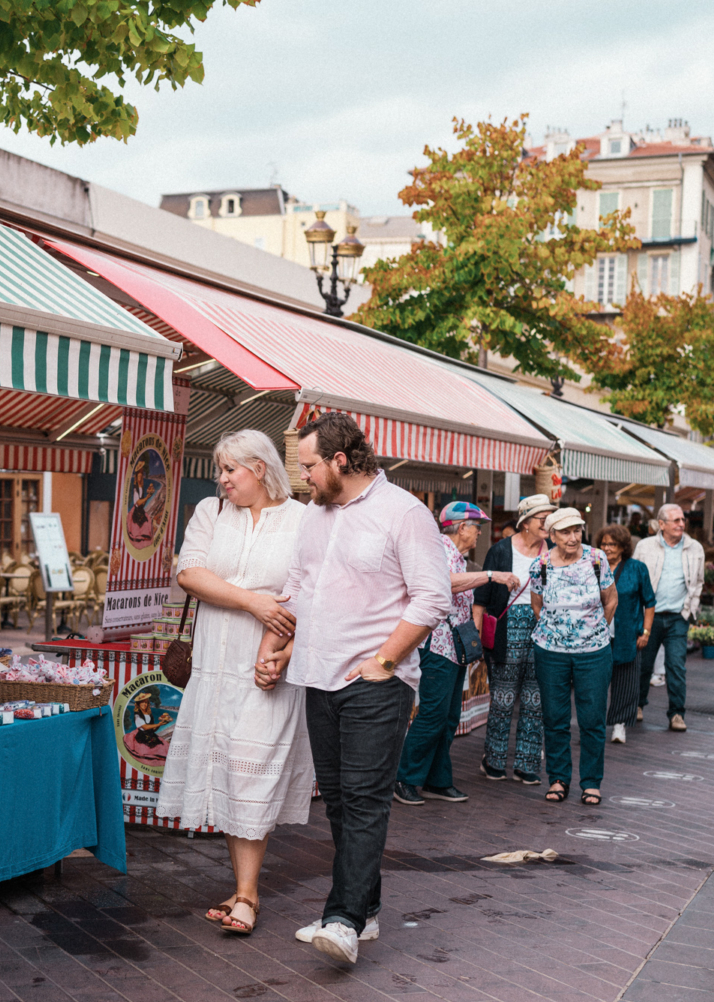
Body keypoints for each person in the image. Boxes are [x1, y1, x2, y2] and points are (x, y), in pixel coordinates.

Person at [254, 411, 451, 968]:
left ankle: (341, 920)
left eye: (311, 466)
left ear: (341, 460)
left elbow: (432, 598)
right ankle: (364, 911)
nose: (304, 478)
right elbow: (301, 588)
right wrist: (276, 649)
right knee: (340, 802)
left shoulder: (404, 514)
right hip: (317, 677)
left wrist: (385, 661)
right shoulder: (315, 517)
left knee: (364, 802)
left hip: (375, 684)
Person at [156, 429, 310, 936]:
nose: (220, 480)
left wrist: (284, 654)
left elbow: (311, 596)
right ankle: (245, 888)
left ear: (260, 469)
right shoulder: (211, 513)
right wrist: (254, 600)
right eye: (219, 470)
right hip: (215, 667)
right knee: (228, 773)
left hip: (267, 668)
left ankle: (247, 893)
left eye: (230, 470)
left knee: (253, 772)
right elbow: (189, 573)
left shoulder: (304, 521)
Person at [393, 502, 518, 806]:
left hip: (453, 645)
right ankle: (405, 779)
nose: (479, 534)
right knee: (433, 715)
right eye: (477, 527)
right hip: (437, 645)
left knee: (448, 717)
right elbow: (444, 583)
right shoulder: (439, 549)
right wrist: (492, 575)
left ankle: (437, 779)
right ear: (462, 527)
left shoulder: (457, 555)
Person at [529, 507, 616, 806]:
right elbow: (537, 606)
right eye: (565, 531)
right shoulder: (539, 564)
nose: (573, 536)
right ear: (551, 535)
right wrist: (559, 634)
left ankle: (591, 782)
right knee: (554, 718)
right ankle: (558, 778)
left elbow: (611, 600)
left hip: (593, 652)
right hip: (550, 652)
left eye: (577, 529)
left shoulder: (596, 559)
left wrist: (591, 631)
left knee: (592, 719)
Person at [473, 493, 556, 785]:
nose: (546, 521)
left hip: (544, 630)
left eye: (548, 516)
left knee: (536, 699)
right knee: (503, 698)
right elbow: (481, 597)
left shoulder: (553, 551)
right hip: (507, 630)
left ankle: (527, 763)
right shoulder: (500, 551)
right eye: (541, 517)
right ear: (525, 523)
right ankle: (493, 761)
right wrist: (477, 637)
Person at [634, 503, 704, 732]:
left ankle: (676, 713)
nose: (681, 524)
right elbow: (635, 579)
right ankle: (638, 705)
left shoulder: (695, 548)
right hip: (649, 617)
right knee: (643, 665)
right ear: (661, 524)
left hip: (677, 617)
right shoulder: (645, 547)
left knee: (676, 666)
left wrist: (689, 609)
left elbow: (698, 581)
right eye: (676, 520)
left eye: (682, 520)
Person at [596, 524, 655, 746]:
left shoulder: (637, 568)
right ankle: (594, 726)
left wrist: (646, 632)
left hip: (628, 634)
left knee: (626, 682)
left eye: (612, 544)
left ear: (623, 547)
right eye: (603, 543)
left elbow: (649, 602)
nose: (607, 548)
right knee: (595, 683)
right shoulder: (593, 567)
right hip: (596, 635)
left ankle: (619, 725)